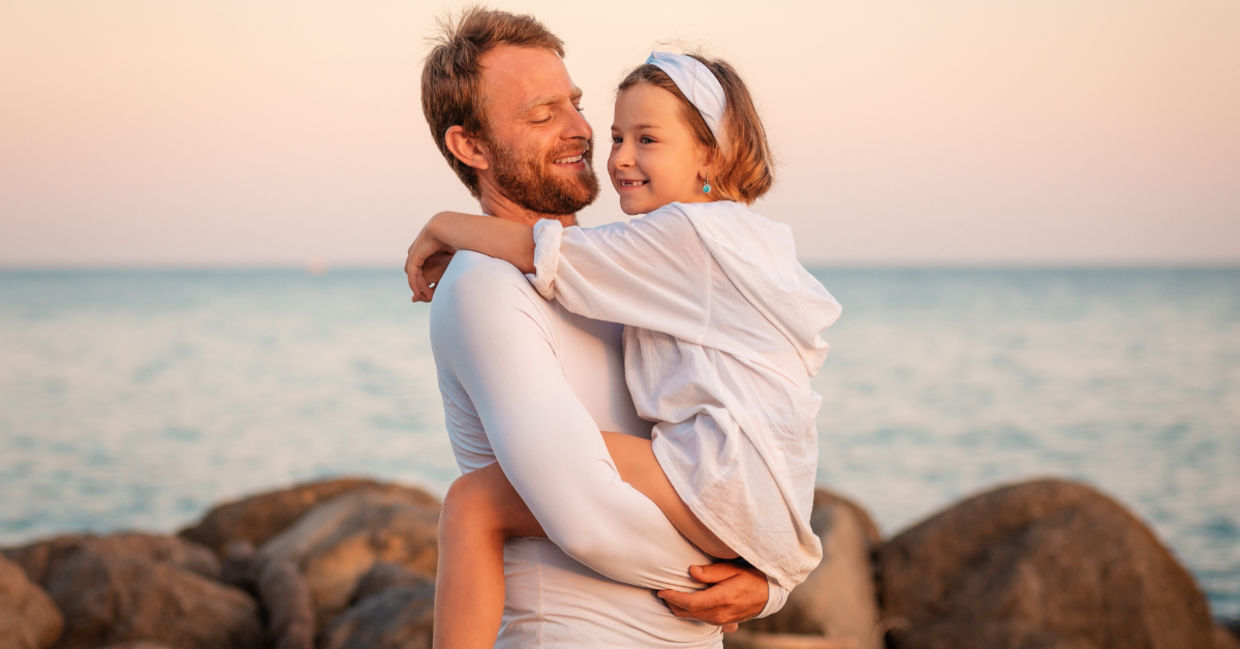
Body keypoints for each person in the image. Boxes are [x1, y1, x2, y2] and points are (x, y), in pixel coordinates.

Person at [411, 26, 842, 649]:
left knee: (473, 506)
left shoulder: (628, 275)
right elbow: (586, 518)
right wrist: (745, 579)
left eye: (576, 104)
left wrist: (766, 584)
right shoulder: (487, 284)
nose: (583, 132)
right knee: (473, 504)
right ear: (470, 145)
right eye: (542, 114)